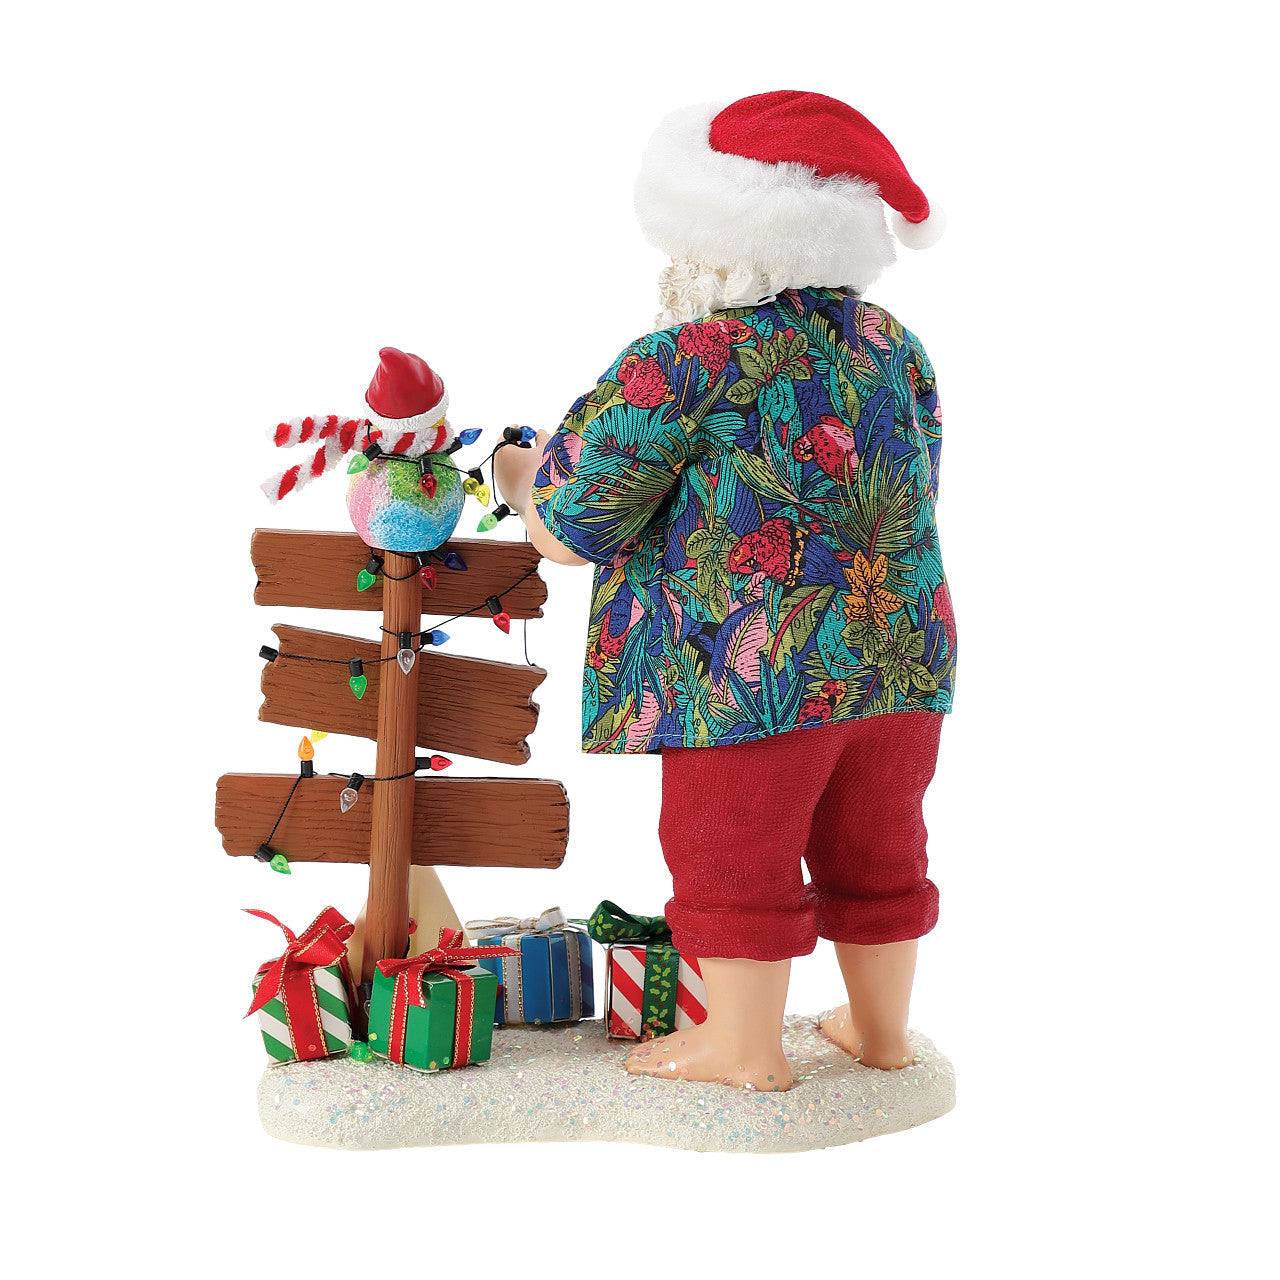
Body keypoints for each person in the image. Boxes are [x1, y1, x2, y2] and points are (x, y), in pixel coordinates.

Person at [495, 90, 955, 1092]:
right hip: (900, 656)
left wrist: (521, 477)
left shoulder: (685, 357)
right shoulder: (892, 345)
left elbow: (574, 525)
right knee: (880, 848)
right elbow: (917, 480)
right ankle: (880, 1032)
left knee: (731, 852)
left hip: (745, 675)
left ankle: (741, 1046)